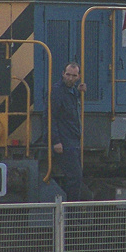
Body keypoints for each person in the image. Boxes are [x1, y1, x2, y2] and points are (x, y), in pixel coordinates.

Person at [50, 62, 91, 201]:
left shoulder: (73, 92)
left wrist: (79, 93)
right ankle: (71, 213)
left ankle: (72, 211)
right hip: (64, 141)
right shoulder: (56, 91)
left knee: (76, 177)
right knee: (75, 177)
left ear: (78, 77)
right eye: (68, 75)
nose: (70, 78)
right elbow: (50, 117)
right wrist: (56, 141)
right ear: (63, 74)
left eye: (73, 76)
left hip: (73, 140)